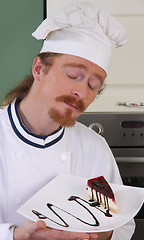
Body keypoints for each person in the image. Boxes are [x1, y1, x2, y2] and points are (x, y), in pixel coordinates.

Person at [0, 2, 135, 240]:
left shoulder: (93, 148)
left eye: (94, 85)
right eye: (74, 75)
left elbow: (120, 225)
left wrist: (95, 234)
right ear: (39, 69)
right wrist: (16, 235)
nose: (81, 92)